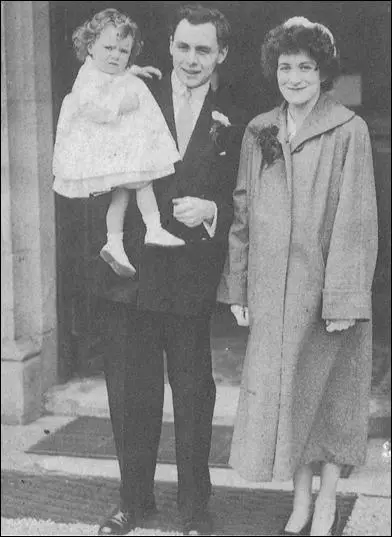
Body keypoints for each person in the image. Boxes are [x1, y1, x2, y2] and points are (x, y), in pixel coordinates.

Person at [88, 4, 246, 536]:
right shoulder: (134, 90)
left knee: (193, 392)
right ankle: (134, 501)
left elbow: (246, 197)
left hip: (189, 277)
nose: (191, 59)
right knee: (132, 394)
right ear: (170, 46)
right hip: (131, 272)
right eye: (183, 47)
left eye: (204, 49)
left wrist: (214, 212)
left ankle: (194, 508)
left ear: (221, 53)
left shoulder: (238, 113)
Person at [218, 16, 378, 537]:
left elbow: (356, 219)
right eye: (285, 66)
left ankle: (328, 501)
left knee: (330, 399)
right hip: (272, 291)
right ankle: (301, 502)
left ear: (323, 72)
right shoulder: (259, 129)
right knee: (290, 401)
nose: (294, 76)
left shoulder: (347, 130)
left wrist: (343, 300)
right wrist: (237, 285)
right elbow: (242, 209)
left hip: (327, 293)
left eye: (305, 67)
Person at [53, 8, 184, 279]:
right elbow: (89, 105)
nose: (115, 56)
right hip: (104, 145)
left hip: (117, 147)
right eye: (109, 48)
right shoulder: (87, 77)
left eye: (123, 51)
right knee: (141, 182)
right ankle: (153, 227)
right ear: (90, 46)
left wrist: (134, 69)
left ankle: (115, 242)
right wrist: (120, 106)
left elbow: (115, 73)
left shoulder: (107, 69)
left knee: (123, 193)